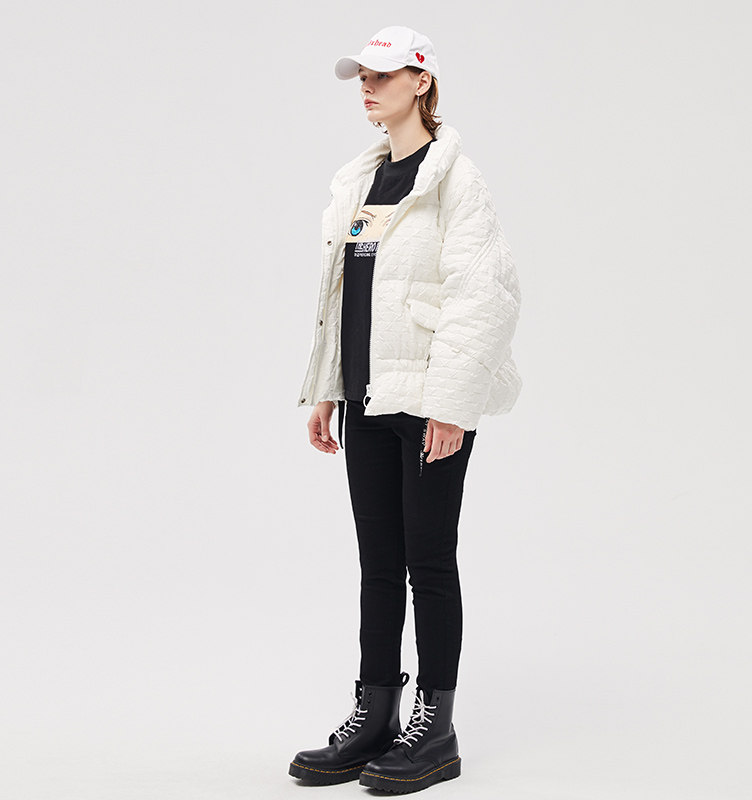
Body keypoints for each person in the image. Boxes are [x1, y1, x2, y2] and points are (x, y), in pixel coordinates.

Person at [290, 25, 522, 793]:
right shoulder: (362, 181)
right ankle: (376, 714)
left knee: (429, 561)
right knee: (379, 566)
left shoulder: (457, 179)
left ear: (421, 82)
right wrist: (329, 388)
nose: (367, 86)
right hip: (367, 400)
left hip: (429, 405)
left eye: (383, 75)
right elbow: (345, 298)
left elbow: (483, 297)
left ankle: (436, 727)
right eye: (362, 75)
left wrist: (451, 406)